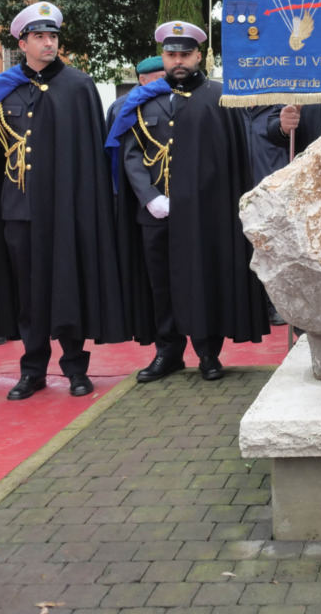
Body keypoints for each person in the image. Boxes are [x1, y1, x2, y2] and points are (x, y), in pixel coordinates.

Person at [0, 3, 124, 400]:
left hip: (68, 209)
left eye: (53, 36)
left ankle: (75, 367)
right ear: (22, 43)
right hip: (18, 209)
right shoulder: (3, 87)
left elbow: (91, 155)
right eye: (39, 37)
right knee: (29, 293)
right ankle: (33, 369)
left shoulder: (78, 86)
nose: (48, 43)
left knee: (68, 286)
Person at [109, 20, 269, 382]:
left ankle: (208, 353)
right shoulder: (141, 100)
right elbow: (131, 154)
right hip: (156, 212)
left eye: (185, 54)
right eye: (171, 54)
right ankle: (167, 352)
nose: (178, 60)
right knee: (160, 283)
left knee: (204, 278)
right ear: (162, 57)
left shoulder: (219, 97)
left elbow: (230, 158)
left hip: (204, 213)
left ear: (199, 56)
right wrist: (149, 198)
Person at [107, 56, 166, 129]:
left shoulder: (174, 99)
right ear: (143, 80)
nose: (166, 82)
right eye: (161, 78)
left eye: (168, 78)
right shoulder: (121, 106)